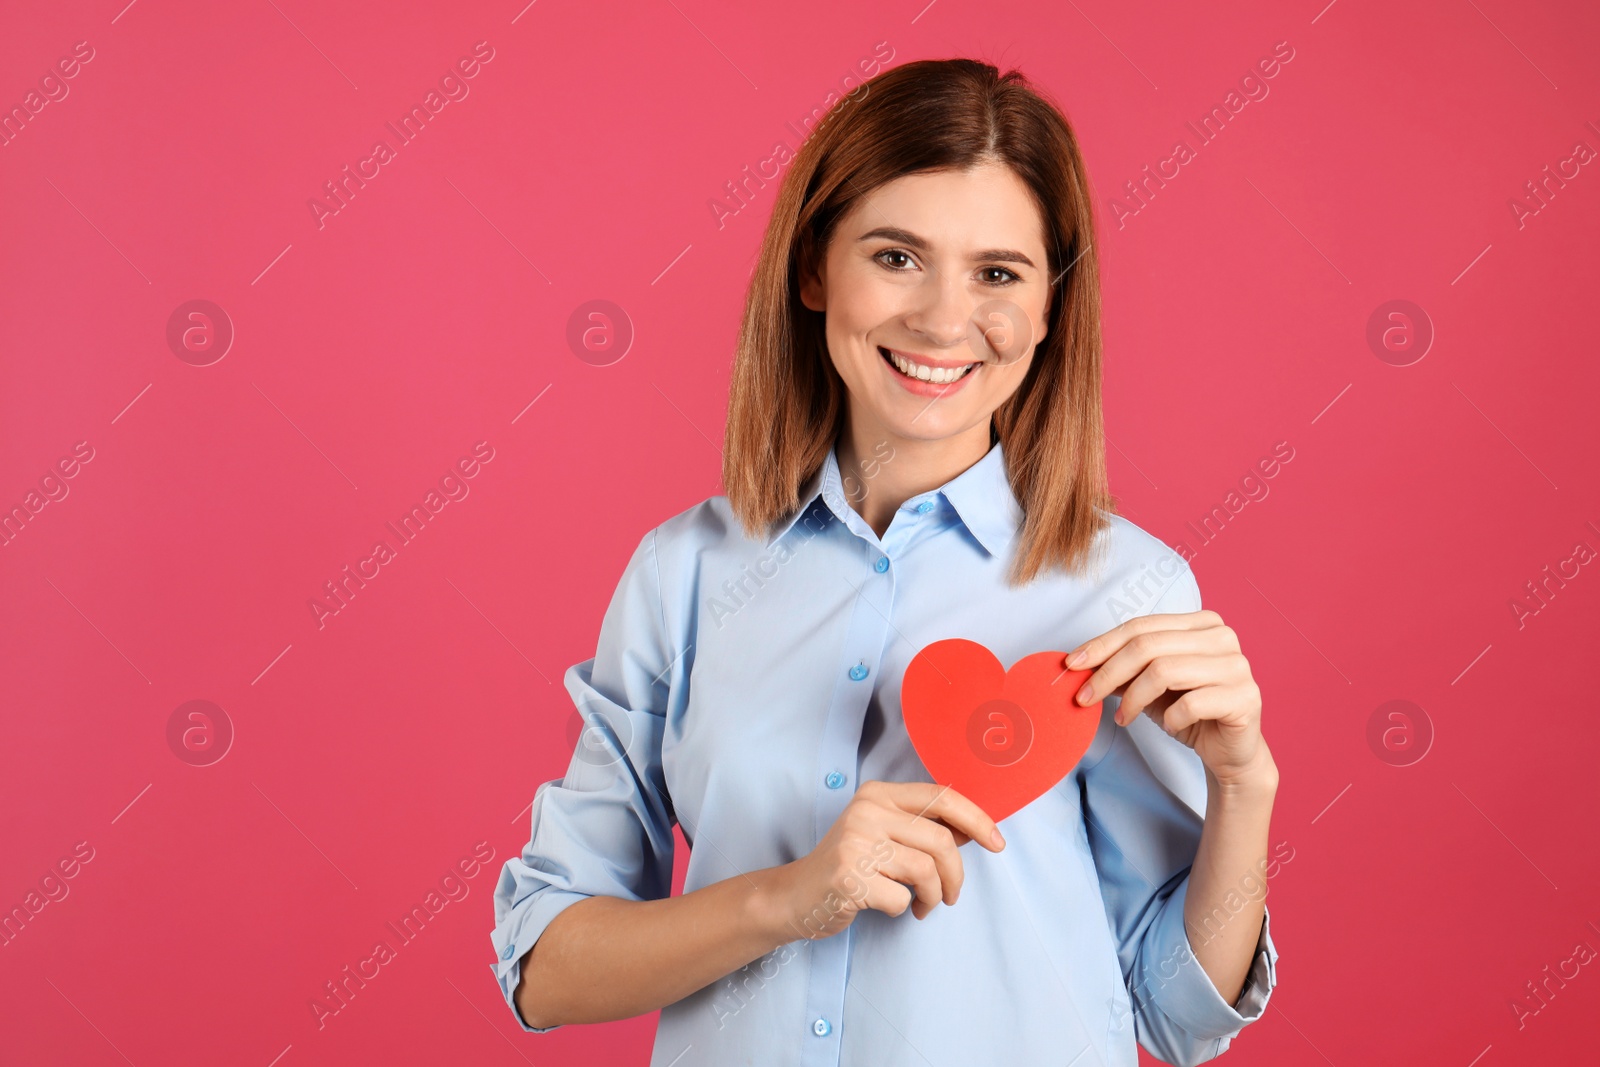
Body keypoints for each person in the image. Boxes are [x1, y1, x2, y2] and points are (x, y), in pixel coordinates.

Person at [490, 57, 1280, 1066]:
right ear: (815, 269)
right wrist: (786, 896)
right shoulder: (681, 574)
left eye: (998, 273)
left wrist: (1243, 785)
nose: (945, 320)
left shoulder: (1127, 590)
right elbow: (544, 963)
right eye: (897, 256)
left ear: (1046, 311)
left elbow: (1177, 1016)